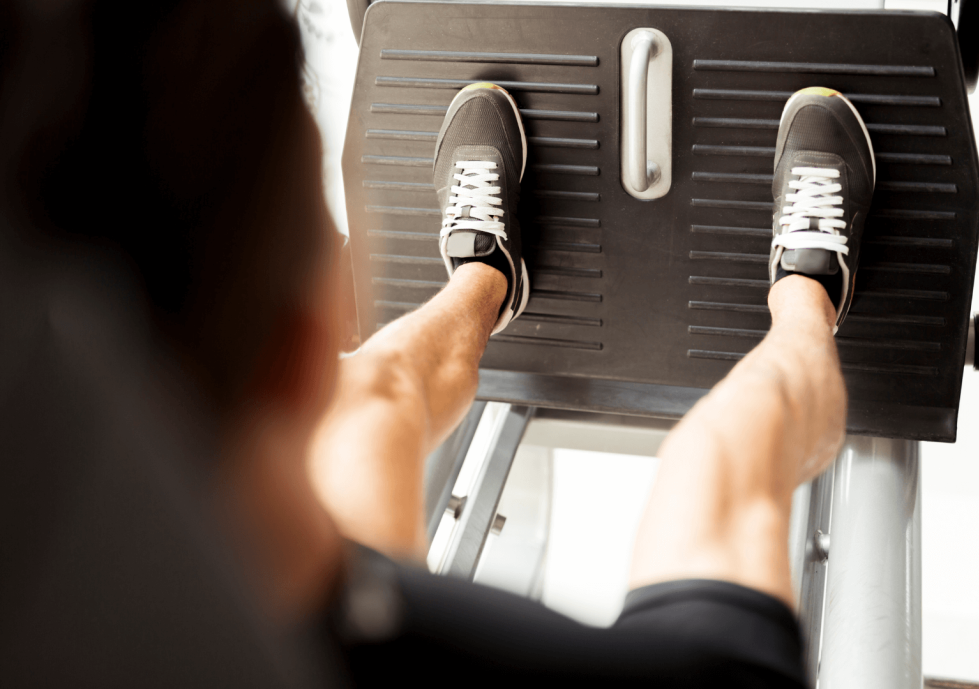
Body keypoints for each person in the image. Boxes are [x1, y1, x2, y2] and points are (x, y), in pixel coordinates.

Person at [0, 0, 872, 686]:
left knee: (376, 395)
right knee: (717, 466)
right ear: (306, 345)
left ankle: (485, 277)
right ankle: (809, 291)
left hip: (264, 599)